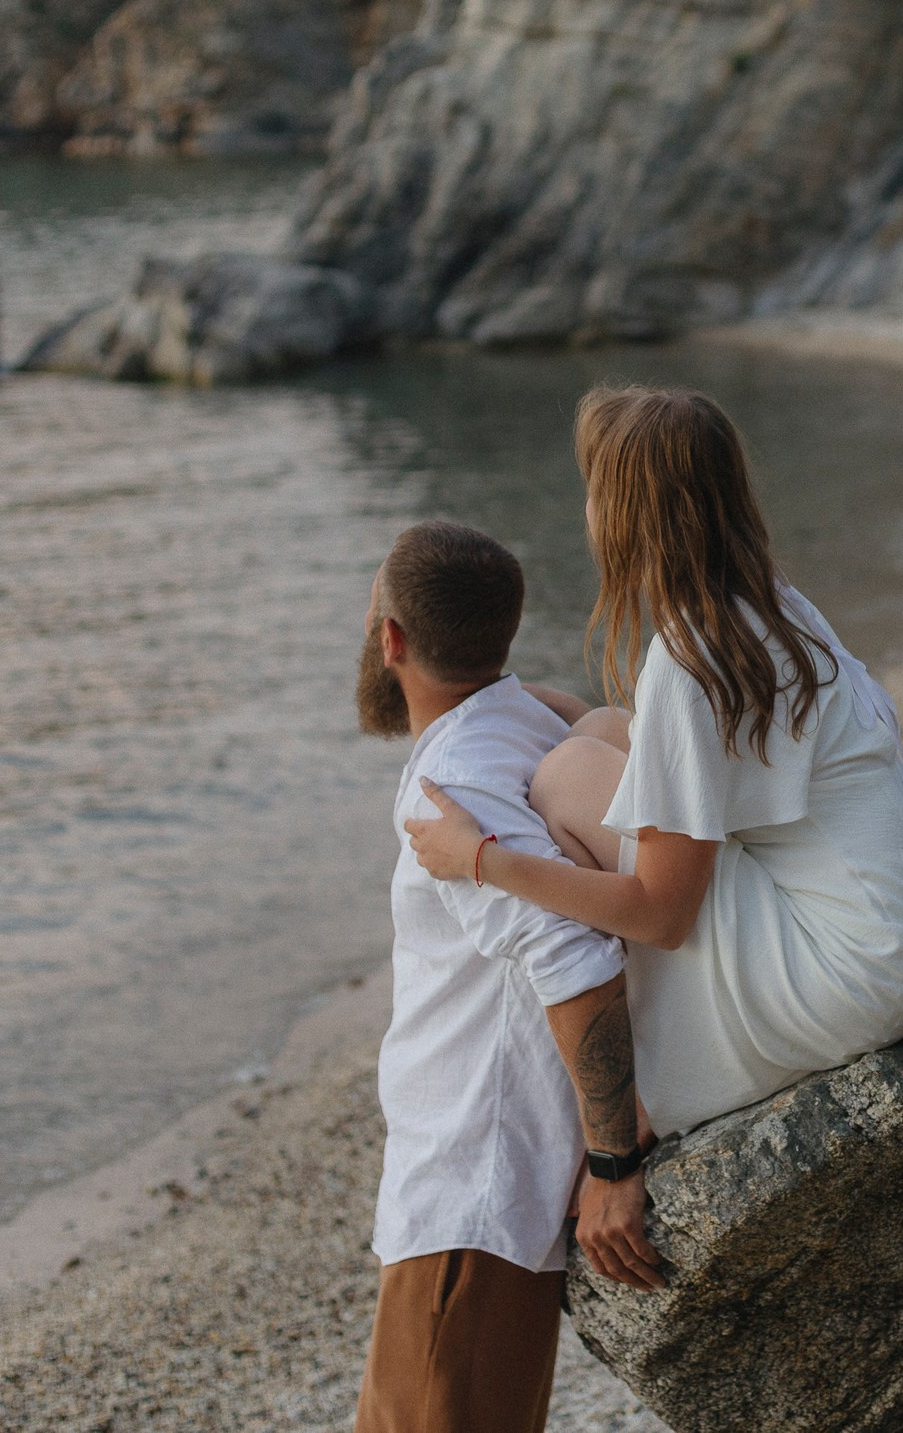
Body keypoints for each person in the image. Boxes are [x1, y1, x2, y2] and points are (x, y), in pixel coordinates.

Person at [405, 387, 903, 1140]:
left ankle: (628, 1100)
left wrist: (480, 858)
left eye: (595, 491)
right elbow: (668, 750)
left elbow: (662, 915)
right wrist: (515, 702)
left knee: (565, 775)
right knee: (602, 725)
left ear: (626, 515)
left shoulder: (686, 661)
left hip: (852, 975)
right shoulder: (769, 605)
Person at [351, 520, 663, 1433]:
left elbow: (574, 957)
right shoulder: (521, 722)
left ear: (391, 639)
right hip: (470, 1198)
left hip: (469, 1199)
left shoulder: (451, 785)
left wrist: (614, 1162)